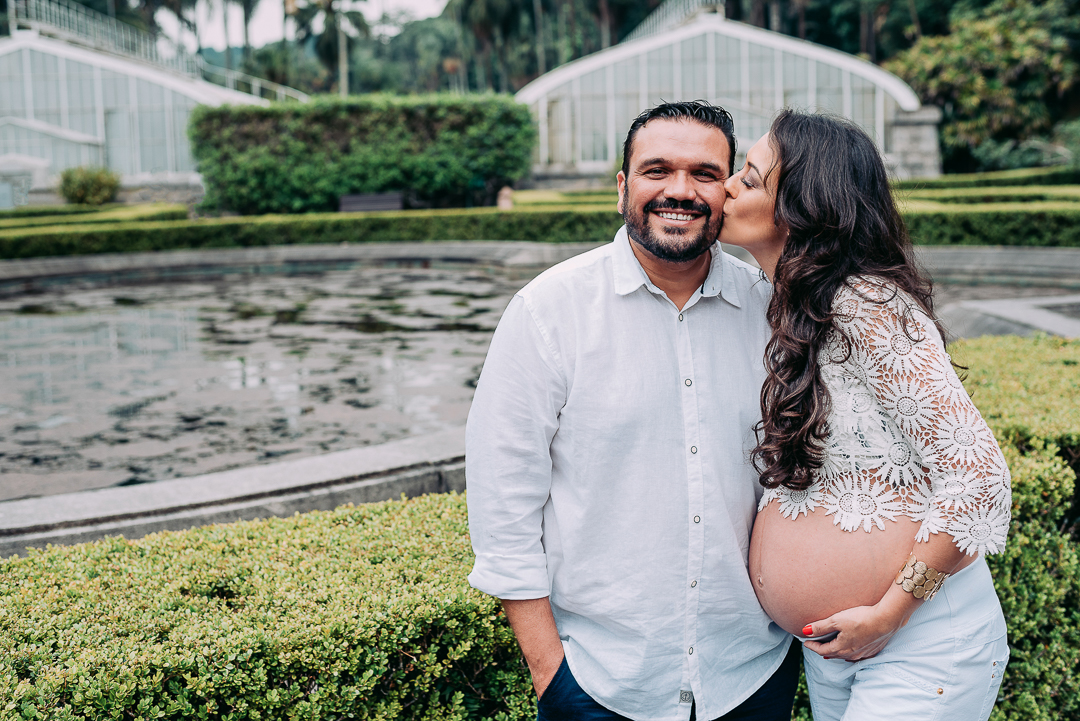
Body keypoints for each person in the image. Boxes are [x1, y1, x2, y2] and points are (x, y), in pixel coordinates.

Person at [466, 100, 798, 721]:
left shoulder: (774, 311)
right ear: (622, 187)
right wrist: (551, 677)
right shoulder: (548, 311)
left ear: (728, 191)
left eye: (704, 173)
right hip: (599, 684)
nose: (681, 190)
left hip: (751, 675)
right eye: (657, 170)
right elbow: (502, 505)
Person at [720, 109, 1012, 721]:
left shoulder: (867, 305)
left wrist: (891, 613)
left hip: (917, 645)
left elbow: (979, 477)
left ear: (803, 205)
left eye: (749, 177)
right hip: (834, 651)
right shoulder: (787, 308)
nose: (727, 187)